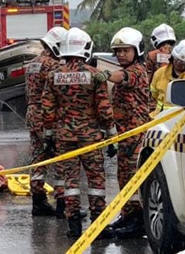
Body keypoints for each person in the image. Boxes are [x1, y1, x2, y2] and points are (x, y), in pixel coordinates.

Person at [42, 28, 116, 239]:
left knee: (70, 183)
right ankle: (98, 225)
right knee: (95, 182)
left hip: (64, 138)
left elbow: (48, 110)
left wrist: (48, 137)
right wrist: (112, 137)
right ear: (86, 48)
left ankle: (73, 225)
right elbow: (104, 109)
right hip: (91, 139)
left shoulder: (53, 76)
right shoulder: (95, 76)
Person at [96, 27, 151, 239]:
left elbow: (121, 76)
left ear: (136, 51)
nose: (120, 54)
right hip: (124, 135)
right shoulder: (128, 68)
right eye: (117, 51)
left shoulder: (137, 71)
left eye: (125, 50)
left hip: (136, 135)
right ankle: (128, 215)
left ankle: (138, 221)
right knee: (123, 177)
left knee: (133, 177)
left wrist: (106, 74)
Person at [25, 26, 67, 217]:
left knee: (38, 159)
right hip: (49, 116)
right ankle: (62, 204)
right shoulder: (53, 66)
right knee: (59, 159)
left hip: (33, 113)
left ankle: (38, 201)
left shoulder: (32, 64)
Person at [150, 38, 185, 115]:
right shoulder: (160, 73)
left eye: (183, 63)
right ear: (172, 57)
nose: (179, 63)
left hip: (181, 121)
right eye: (177, 59)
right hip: (157, 118)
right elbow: (153, 95)